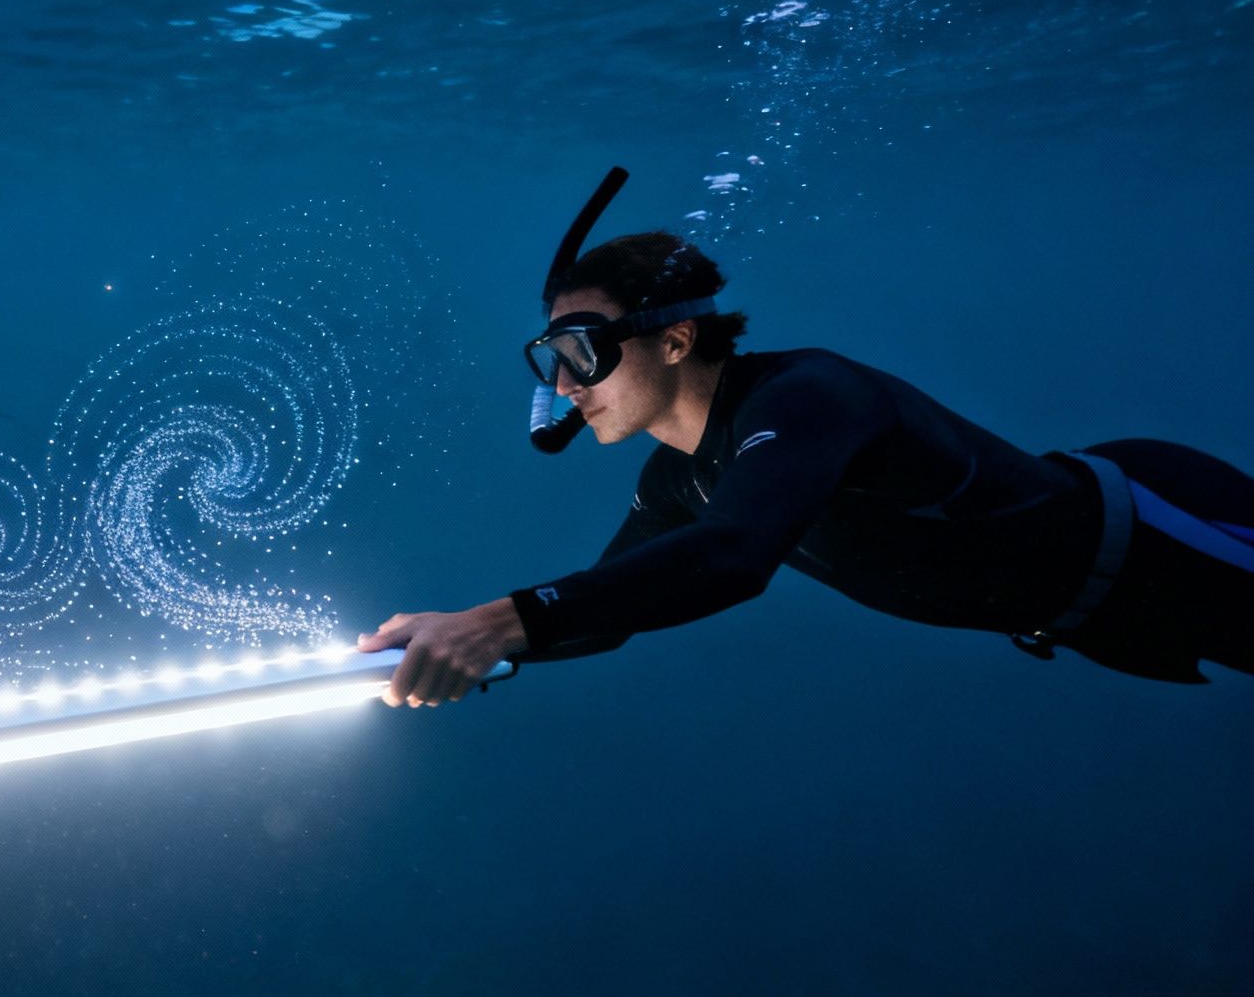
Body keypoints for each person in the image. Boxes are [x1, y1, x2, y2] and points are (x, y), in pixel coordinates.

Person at [360, 168, 1254, 705]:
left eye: (583, 351)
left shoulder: (808, 398)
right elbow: (605, 614)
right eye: (548, 356)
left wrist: (500, 622)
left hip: (1167, 540)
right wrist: (444, 651)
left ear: (675, 340)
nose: (562, 386)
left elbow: (733, 556)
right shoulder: (681, 480)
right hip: (1101, 616)